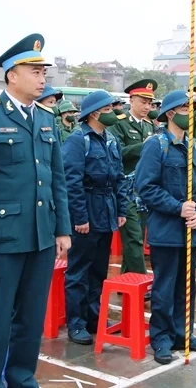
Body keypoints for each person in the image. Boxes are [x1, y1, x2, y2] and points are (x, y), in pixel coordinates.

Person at [0, 33, 71, 387]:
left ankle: (22, 379)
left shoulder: (47, 118)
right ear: (12, 75)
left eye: (44, 72)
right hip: (2, 239)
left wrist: (62, 229)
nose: (42, 78)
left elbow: (56, 179)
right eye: (35, 71)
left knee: (31, 318)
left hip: (40, 236)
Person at [135, 90, 196, 365]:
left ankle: (184, 334)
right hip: (166, 230)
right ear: (170, 113)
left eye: (193, 110)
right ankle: (161, 338)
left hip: (192, 230)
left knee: (187, 286)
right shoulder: (156, 145)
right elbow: (145, 187)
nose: (191, 115)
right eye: (185, 109)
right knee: (164, 288)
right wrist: (177, 207)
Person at [62, 90, 128, 344]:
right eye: (108, 109)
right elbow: (72, 182)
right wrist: (80, 218)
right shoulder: (78, 140)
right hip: (87, 209)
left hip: (106, 209)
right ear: (94, 113)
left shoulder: (110, 139)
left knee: (99, 269)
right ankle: (76, 322)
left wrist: (121, 209)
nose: (113, 112)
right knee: (79, 270)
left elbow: (119, 177)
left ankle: (93, 316)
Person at [108, 79, 157, 275]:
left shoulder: (149, 126)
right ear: (131, 100)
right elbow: (117, 152)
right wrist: (144, 146)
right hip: (125, 189)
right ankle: (141, 280)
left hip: (143, 189)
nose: (147, 107)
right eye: (143, 102)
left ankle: (128, 281)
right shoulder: (119, 123)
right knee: (134, 237)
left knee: (136, 237)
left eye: (149, 103)